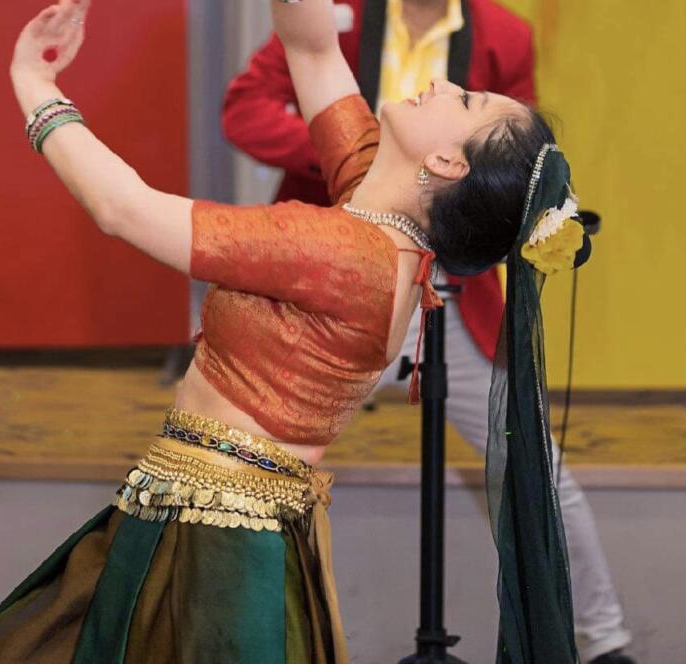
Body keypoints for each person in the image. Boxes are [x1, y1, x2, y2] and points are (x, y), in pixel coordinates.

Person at [0, 0, 588, 661]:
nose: (445, 83)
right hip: (205, 515)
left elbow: (123, 209)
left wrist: (34, 83)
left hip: (219, 549)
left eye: (467, 99)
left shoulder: (342, 254)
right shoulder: (382, 216)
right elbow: (311, 47)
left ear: (449, 163)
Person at [221, 2, 635, 663]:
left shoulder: (504, 34)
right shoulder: (341, 14)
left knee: (535, 464)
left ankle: (603, 639)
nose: (448, 92)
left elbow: (518, 161)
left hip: (454, 295)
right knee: (251, 458)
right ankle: (228, 629)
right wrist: (353, 154)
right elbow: (245, 111)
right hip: (336, 280)